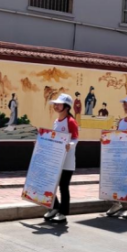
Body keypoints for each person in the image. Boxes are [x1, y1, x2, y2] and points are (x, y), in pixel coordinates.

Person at [44, 94, 79, 224]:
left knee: (63, 186)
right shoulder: (56, 121)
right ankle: (54, 207)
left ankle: (63, 213)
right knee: (50, 184)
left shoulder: (70, 121)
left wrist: (70, 145)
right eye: (56, 104)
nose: (56, 106)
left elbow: (75, 138)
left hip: (67, 162)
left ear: (66, 107)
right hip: (56, 160)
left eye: (59, 104)